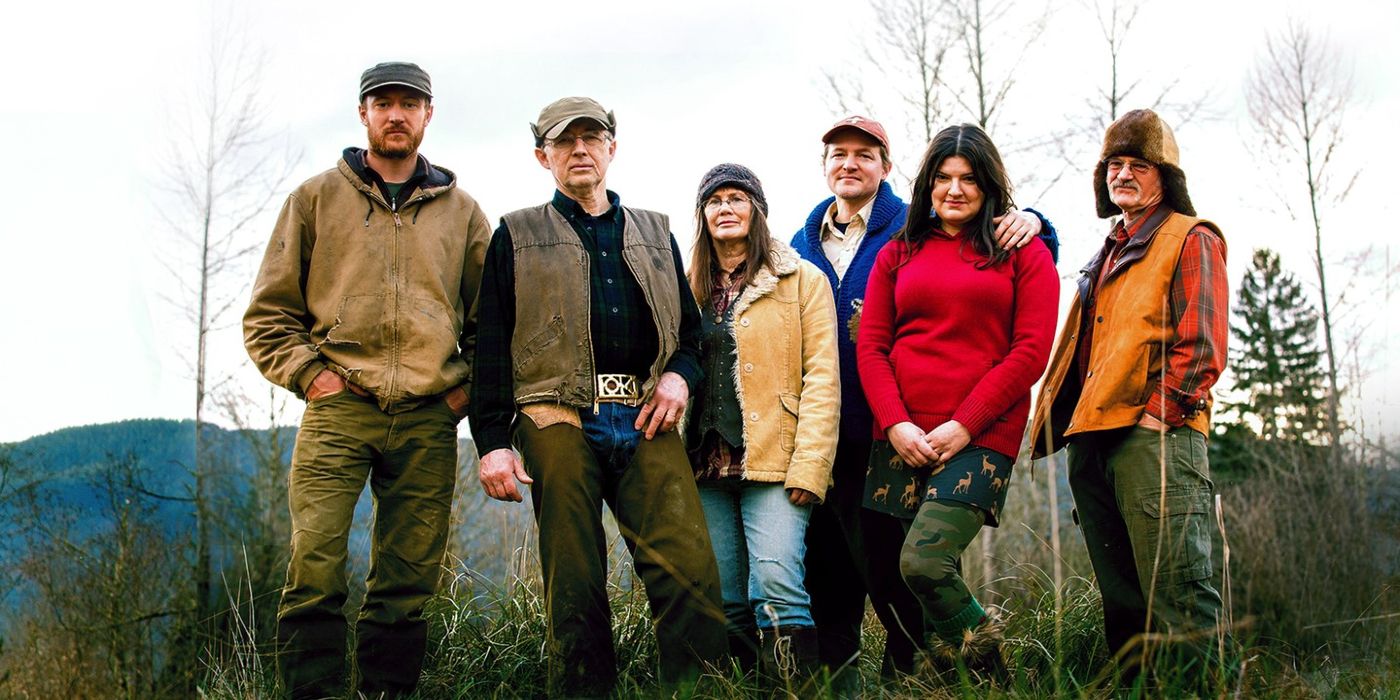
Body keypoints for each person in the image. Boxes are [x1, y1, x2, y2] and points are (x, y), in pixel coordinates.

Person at [242, 62, 490, 698]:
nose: (397, 114)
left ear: (428, 115)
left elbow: (493, 321)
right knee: (315, 568)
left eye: (411, 103)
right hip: (339, 408)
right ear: (363, 113)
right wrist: (311, 377)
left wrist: (461, 393)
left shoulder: (462, 213)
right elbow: (269, 315)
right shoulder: (316, 198)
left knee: (407, 582)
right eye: (384, 103)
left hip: (429, 419)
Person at [468, 96, 727, 697]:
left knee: (687, 568)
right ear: (543, 156)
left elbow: (693, 337)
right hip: (554, 413)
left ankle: (700, 691)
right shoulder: (516, 233)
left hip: (645, 413)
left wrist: (677, 377)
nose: (579, 149)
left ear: (613, 147)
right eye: (564, 141)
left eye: (592, 137)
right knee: (576, 576)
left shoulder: (656, 231)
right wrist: (492, 444)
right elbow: (487, 347)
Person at [790, 115, 1056, 687]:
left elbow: (1031, 351)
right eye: (943, 177)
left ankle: (993, 674)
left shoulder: (1023, 251)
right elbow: (875, 347)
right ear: (926, 183)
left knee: (925, 560)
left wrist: (965, 425)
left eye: (968, 178)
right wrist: (897, 424)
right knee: (889, 578)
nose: (954, 189)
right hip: (899, 436)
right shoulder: (900, 250)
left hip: (980, 437)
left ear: (989, 185)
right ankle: (925, 682)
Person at [1030, 108, 1227, 679]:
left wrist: (1156, 417)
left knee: (1179, 596)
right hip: (1092, 441)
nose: (1122, 174)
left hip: (1153, 440)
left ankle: (1205, 692)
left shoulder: (1191, 237)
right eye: (1114, 165)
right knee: (1123, 605)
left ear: (1165, 176)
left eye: (1138, 165)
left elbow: (1203, 343)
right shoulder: (1108, 250)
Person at [685, 163, 840, 683]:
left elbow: (822, 376)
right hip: (703, 465)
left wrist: (812, 466)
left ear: (758, 210)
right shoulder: (687, 286)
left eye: (737, 198)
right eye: (714, 201)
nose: (725, 209)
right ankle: (741, 693)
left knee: (777, 586)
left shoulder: (801, 279)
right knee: (724, 597)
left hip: (777, 459)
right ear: (703, 215)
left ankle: (794, 694)